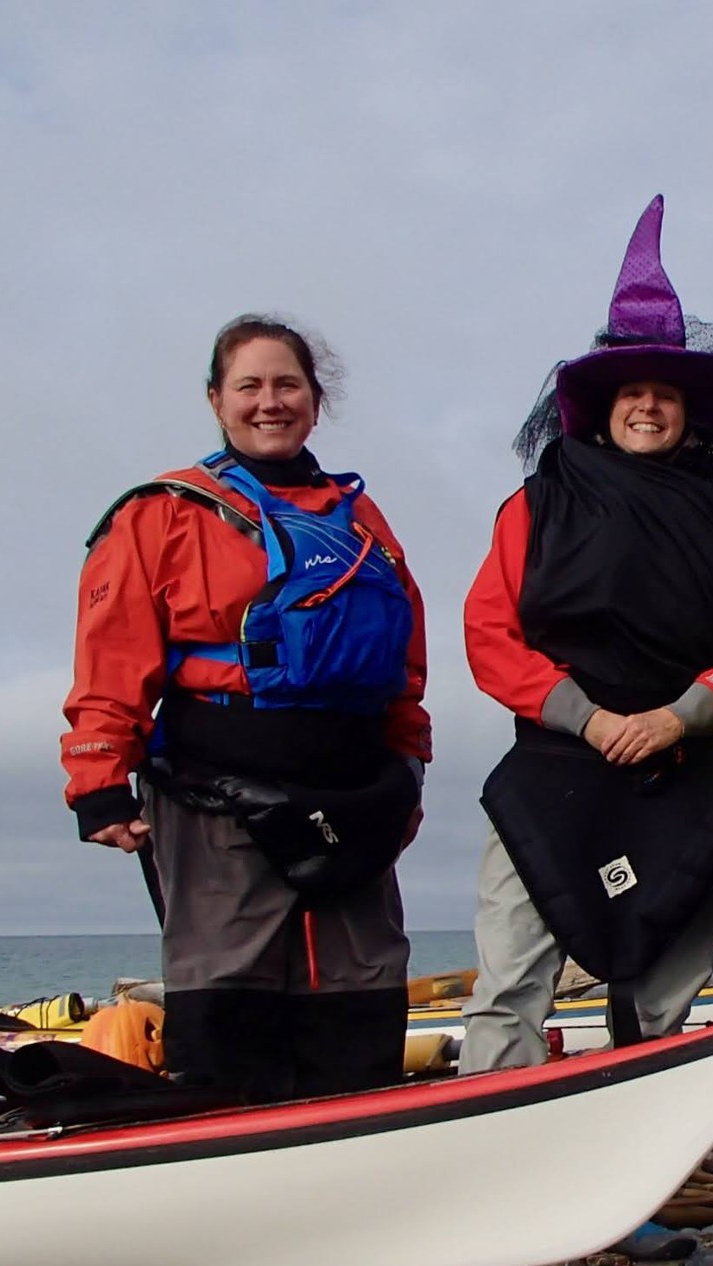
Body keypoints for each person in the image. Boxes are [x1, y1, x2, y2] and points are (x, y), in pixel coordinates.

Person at [460, 193, 713, 1085]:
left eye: (665, 395)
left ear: (687, 411)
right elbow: (491, 635)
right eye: (632, 392)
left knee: (668, 987)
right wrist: (592, 719)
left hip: (684, 773)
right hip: (558, 769)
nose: (647, 407)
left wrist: (682, 715)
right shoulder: (535, 505)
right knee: (511, 978)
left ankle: (634, 1181)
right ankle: (496, 1158)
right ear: (602, 406)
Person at [63, 315, 429, 1102]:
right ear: (216, 400)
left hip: (356, 792)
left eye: (288, 384)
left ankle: (359, 1146)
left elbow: (403, 664)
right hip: (215, 795)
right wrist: (97, 779)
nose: (271, 402)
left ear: (315, 399)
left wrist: (409, 772)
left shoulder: (363, 523)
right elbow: (112, 651)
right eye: (251, 387)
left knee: (362, 981)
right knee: (230, 982)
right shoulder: (160, 514)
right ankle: (230, 1155)